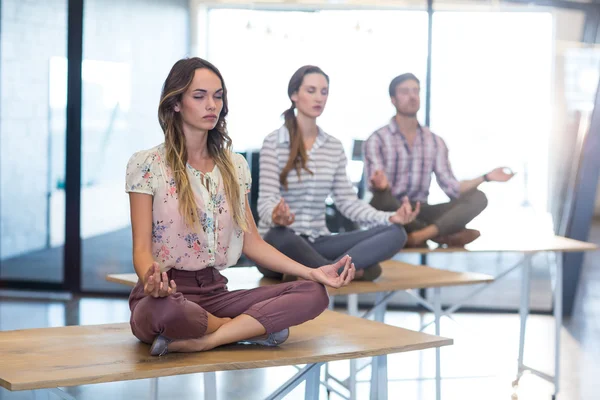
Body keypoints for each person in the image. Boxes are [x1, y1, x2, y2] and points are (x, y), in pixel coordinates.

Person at [125, 57, 355, 357]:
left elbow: (253, 243)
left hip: (215, 292)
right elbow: (141, 249)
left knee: (312, 293)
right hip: (166, 295)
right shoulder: (146, 164)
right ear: (176, 103)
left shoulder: (235, 167)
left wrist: (313, 273)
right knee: (166, 314)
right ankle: (246, 329)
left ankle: (209, 339)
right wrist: (152, 282)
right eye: (199, 96)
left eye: (218, 96)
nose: (212, 105)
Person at [256, 65, 419, 283]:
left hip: (317, 241)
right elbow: (266, 200)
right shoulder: (274, 142)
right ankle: (344, 271)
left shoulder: (333, 146)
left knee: (396, 233)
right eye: (311, 91)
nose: (319, 98)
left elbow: (348, 203)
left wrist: (389, 217)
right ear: (294, 95)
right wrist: (276, 215)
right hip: (280, 243)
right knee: (279, 235)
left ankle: (316, 272)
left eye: (324, 92)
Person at [363, 73, 515, 248]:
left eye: (416, 91)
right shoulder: (377, 139)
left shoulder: (434, 141)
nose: (412, 96)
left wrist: (486, 177)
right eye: (405, 92)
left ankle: (419, 236)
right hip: (393, 207)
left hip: (421, 210)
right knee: (381, 200)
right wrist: (381, 186)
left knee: (478, 198)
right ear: (393, 99)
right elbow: (376, 187)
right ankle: (442, 236)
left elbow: (452, 188)